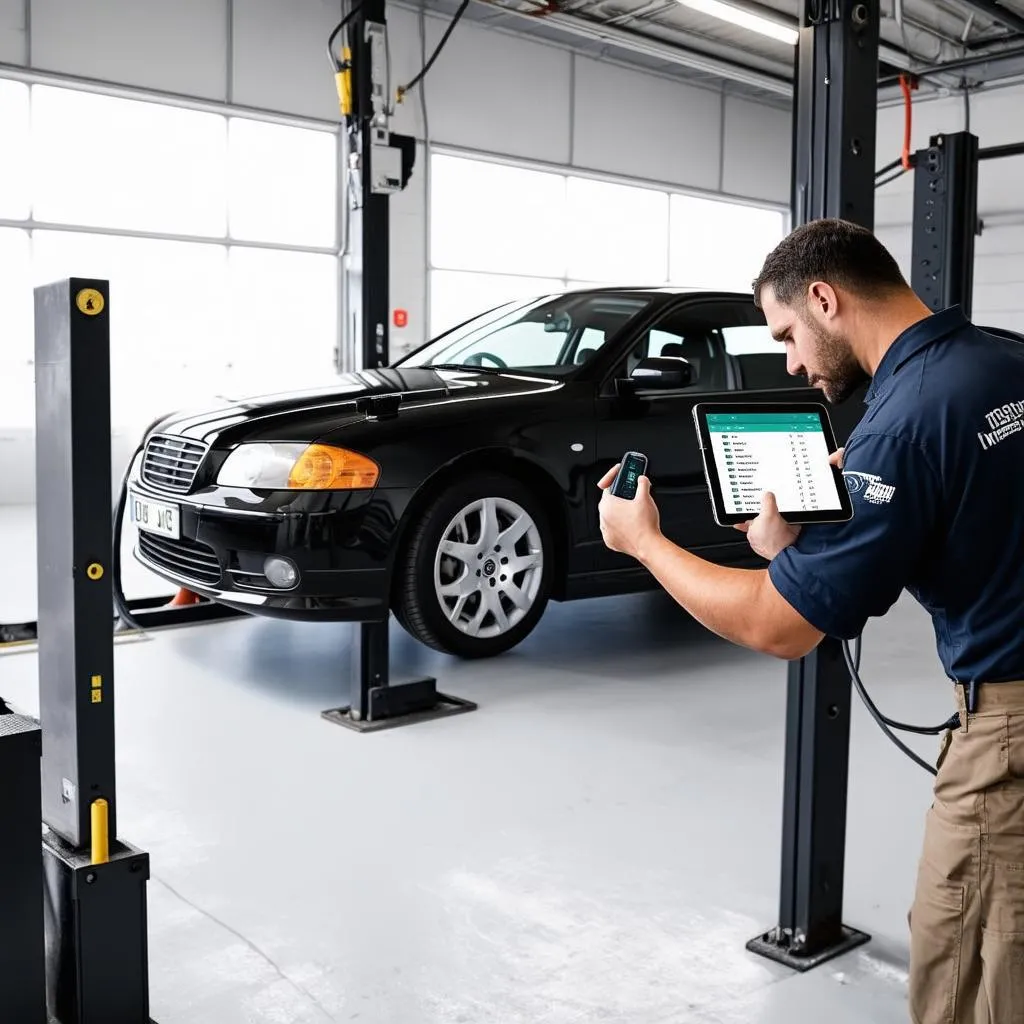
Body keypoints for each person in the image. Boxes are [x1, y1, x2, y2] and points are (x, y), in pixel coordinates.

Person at [597, 217, 1024, 1024]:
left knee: (969, 976)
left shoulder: (898, 425)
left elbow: (778, 625)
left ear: (825, 298)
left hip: (1009, 736)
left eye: (788, 333)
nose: (790, 361)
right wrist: (850, 513)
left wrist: (644, 543)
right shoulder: (999, 357)